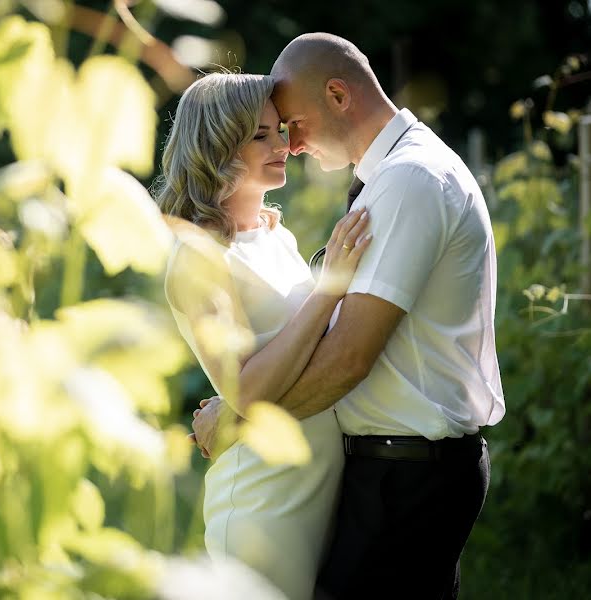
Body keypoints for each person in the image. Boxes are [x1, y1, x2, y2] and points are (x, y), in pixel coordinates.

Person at [191, 33, 506, 599]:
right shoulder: (391, 178)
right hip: (390, 471)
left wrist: (238, 424)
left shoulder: (411, 180)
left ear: (338, 94)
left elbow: (349, 358)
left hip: (409, 472)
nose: (292, 142)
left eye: (291, 122)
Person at [154, 72, 372, 599]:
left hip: (320, 489)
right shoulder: (197, 256)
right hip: (263, 505)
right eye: (260, 136)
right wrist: (329, 289)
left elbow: (305, 351)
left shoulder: (276, 235)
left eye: (279, 130)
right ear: (216, 146)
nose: (285, 146)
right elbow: (248, 389)